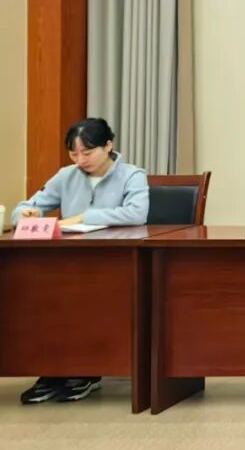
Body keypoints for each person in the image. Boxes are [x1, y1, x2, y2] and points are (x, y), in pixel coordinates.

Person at [12, 118, 149, 405]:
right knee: (39, 295)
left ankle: (84, 369)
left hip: (114, 261)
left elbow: (137, 213)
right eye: (73, 154)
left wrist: (86, 217)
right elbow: (28, 206)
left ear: (108, 146)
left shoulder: (132, 175)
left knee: (83, 297)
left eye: (87, 152)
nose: (80, 160)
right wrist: (25, 214)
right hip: (68, 260)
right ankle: (52, 369)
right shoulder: (66, 176)